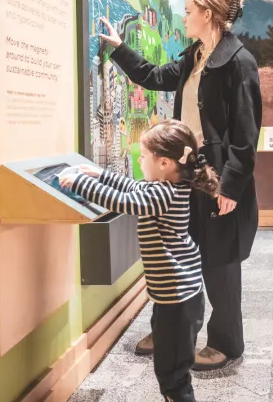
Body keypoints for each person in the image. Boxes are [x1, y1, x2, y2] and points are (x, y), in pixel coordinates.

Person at [98, 0, 262, 371]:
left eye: (188, 11)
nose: (184, 17)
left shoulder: (240, 62)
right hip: (186, 173)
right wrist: (118, 48)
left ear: (207, 14)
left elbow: (247, 132)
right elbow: (154, 76)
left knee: (219, 263)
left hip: (217, 178)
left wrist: (231, 187)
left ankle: (226, 343)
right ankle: (172, 327)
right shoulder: (196, 56)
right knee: (175, 254)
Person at [59, 120, 217, 402]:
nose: (139, 160)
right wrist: (99, 174)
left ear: (165, 162)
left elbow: (124, 201)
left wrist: (82, 183)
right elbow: (132, 186)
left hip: (177, 301)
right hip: (177, 297)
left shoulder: (162, 194)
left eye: (143, 156)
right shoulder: (168, 186)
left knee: (173, 377)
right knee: (172, 367)